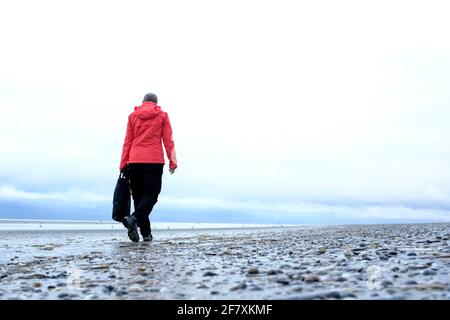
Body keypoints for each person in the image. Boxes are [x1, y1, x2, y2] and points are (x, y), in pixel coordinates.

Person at [119, 92, 177, 242]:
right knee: (151, 195)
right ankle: (134, 219)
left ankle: (146, 235)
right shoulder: (162, 116)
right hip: (154, 161)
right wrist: (172, 160)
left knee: (139, 198)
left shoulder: (133, 116)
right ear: (156, 103)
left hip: (134, 161)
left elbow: (127, 142)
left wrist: (123, 163)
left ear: (143, 101)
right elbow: (168, 139)